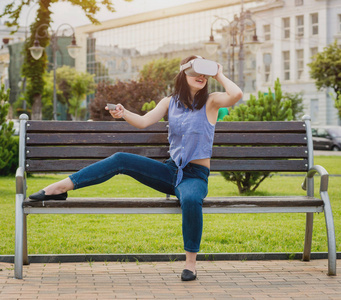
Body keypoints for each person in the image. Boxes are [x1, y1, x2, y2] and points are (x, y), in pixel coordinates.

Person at [29, 55, 243, 281]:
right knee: (121, 158)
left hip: (194, 177)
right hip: (170, 171)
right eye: (196, 71)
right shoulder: (169, 102)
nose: (201, 76)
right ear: (183, 73)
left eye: (205, 72)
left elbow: (236, 94)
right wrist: (123, 114)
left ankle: (190, 264)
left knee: (190, 200)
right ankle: (61, 187)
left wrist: (218, 73)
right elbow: (143, 121)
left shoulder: (211, 102)